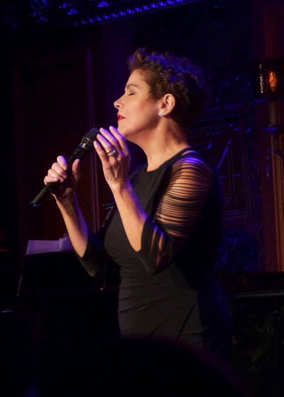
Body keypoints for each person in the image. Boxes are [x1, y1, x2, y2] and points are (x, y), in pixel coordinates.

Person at [42, 48, 232, 361]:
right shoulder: (138, 177)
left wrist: (119, 185)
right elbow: (96, 264)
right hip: (142, 343)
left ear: (165, 104)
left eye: (131, 91)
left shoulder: (191, 168)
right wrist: (66, 201)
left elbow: (156, 254)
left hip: (188, 338)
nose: (118, 101)